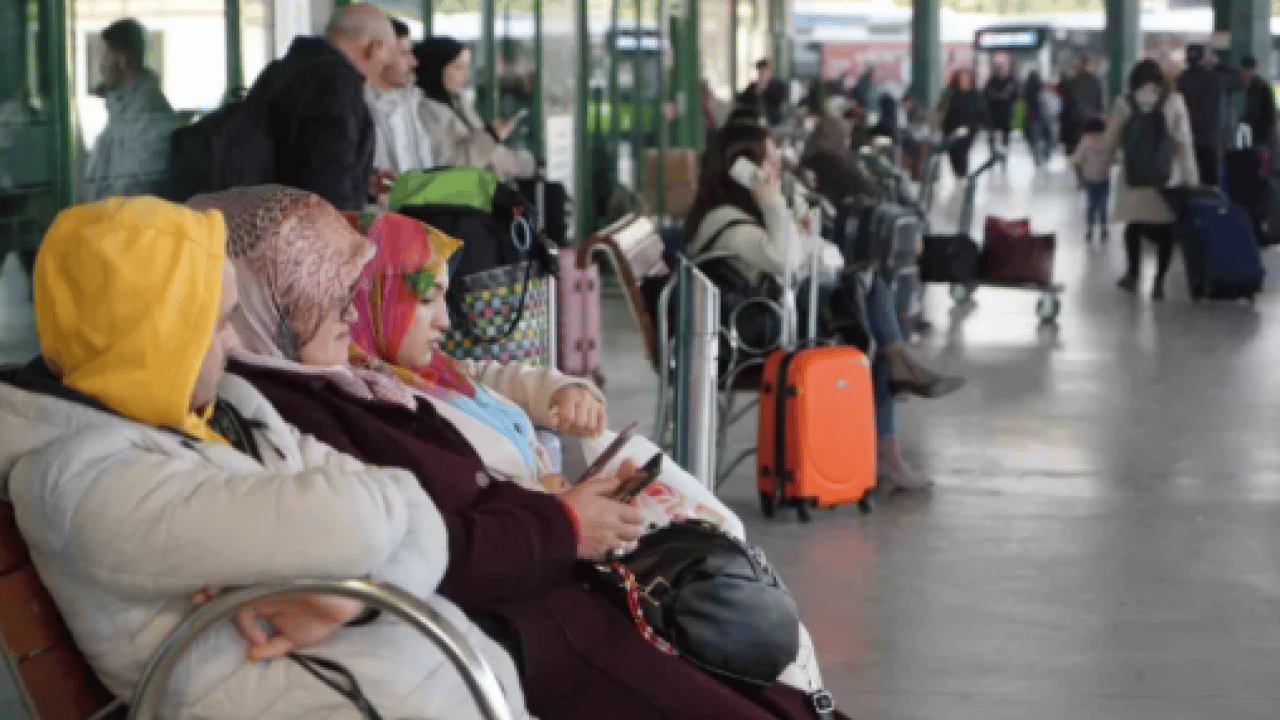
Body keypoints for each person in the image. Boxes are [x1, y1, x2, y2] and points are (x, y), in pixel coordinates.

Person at [190, 184, 850, 720]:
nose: (348, 309)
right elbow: (407, 541)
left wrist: (562, 511)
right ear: (267, 302)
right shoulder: (292, 406)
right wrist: (563, 523)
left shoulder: (345, 380)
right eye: (322, 290)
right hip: (528, 627)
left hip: (548, 597)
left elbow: (434, 496)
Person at [0, 196, 531, 720]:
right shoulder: (85, 482)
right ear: (158, 336)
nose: (234, 341)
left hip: (425, 686)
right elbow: (356, 522)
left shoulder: (229, 407)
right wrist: (373, 534)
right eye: (217, 322)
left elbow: (422, 520)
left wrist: (354, 603)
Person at [685, 122, 963, 492]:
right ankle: (890, 433)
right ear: (743, 168)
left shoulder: (738, 211)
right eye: (769, 161)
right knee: (868, 313)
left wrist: (791, 201)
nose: (778, 167)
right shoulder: (725, 220)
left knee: (869, 311)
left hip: (763, 324)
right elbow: (786, 260)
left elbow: (800, 249)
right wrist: (773, 202)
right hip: (746, 339)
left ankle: (895, 375)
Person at [246, 4, 393, 210]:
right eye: (385, 63)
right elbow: (329, 182)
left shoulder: (279, 72)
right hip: (303, 224)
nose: (381, 71)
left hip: (258, 214)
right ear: (374, 48)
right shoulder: (339, 83)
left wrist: (361, 180)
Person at [1097, 59, 1200, 300]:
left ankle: (1133, 275)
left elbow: (1111, 140)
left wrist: (1103, 168)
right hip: (1166, 178)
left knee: (1134, 226)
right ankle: (1159, 282)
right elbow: (1184, 142)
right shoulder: (1174, 101)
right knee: (1166, 230)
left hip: (1133, 178)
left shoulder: (1124, 103)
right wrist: (1191, 177)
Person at [81, 18, 180, 201]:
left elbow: (140, 184)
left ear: (125, 59)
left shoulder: (147, 110)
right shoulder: (120, 111)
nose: (101, 65)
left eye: (105, 55)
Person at [414, 36, 536, 179]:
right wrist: (491, 136)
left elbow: (490, 156)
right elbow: (450, 169)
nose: (466, 76)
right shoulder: (424, 113)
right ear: (436, 69)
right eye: (458, 68)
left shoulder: (458, 102)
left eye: (467, 67)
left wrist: (530, 164)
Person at [365, 17, 435, 176]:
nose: (414, 62)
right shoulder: (363, 110)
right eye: (404, 53)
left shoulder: (412, 101)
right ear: (379, 54)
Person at [1178, 44, 1231, 187]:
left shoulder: (1182, 79)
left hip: (1187, 137)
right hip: (1209, 138)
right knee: (1209, 183)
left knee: (1189, 182)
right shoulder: (1213, 78)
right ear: (1202, 57)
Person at [937, 69, 985, 178]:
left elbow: (981, 113)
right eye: (961, 79)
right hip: (950, 130)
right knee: (953, 154)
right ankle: (958, 176)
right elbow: (941, 109)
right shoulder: (950, 93)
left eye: (965, 79)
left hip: (968, 130)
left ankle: (962, 178)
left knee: (962, 153)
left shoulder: (974, 95)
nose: (963, 82)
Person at [1071, 116, 1111, 243]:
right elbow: (1114, 158)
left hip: (1089, 178)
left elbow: (1076, 160)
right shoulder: (1107, 140)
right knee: (1103, 205)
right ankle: (1104, 230)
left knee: (1091, 205)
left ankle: (1089, 230)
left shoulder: (1085, 141)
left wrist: (1080, 170)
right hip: (1103, 177)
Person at [1060, 56, 1105, 155]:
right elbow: (1100, 105)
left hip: (1076, 125)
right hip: (1089, 125)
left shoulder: (1072, 82)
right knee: (1089, 154)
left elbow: (1066, 106)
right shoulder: (1095, 82)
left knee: (1075, 154)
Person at [738, 58, 789, 128]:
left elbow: (780, 99)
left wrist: (766, 88)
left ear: (770, 71)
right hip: (755, 121)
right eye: (760, 70)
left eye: (765, 70)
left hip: (773, 121)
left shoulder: (778, 85)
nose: (763, 73)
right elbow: (742, 100)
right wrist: (756, 91)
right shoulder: (753, 86)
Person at [1239, 55, 1275, 149]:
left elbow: (1256, 111)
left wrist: (1242, 119)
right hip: (1260, 130)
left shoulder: (1257, 86)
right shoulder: (1256, 85)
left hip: (1261, 132)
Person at [983, 61, 1018, 154]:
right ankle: (992, 151)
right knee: (991, 132)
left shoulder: (1011, 81)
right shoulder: (991, 81)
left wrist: (1004, 96)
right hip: (993, 111)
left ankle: (1004, 150)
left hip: (1006, 111)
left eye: (1003, 69)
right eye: (999, 69)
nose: (1001, 71)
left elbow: (1016, 95)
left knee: (1006, 132)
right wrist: (999, 96)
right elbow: (985, 94)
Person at [1022, 70, 1052, 166]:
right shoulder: (1040, 88)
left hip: (1033, 117)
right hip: (1043, 116)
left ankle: (1037, 158)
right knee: (1048, 137)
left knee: (1035, 140)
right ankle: (1045, 156)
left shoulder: (1027, 90)